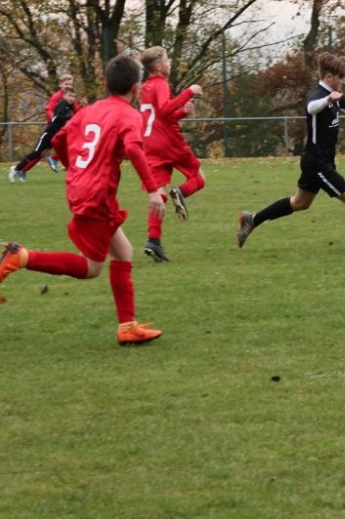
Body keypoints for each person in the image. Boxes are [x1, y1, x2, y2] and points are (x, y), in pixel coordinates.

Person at [0, 53, 167, 346]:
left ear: (107, 84)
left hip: (84, 188)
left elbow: (58, 139)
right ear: (136, 88)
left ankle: (128, 326)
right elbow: (134, 149)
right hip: (97, 194)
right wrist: (153, 190)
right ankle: (19, 256)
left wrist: (75, 168)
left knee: (123, 252)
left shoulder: (91, 109)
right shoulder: (129, 115)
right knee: (92, 267)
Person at [236, 52, 345, 251]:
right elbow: (311, 108)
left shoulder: (336, 97)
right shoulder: (318, 95)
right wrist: (327, 99)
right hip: (318, 164)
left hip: (317, 161)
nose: (343, 81)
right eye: (341, 77)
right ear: (329, 77)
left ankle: (252, 219)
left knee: (300, 203)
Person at [138, 46, 205, 262]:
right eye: (167, 60)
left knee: (158, 194)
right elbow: (166, 109)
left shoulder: (146, 87)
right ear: (158, 67)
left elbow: (163, 115)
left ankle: (153, 241)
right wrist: (189, 91)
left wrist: (183, 112)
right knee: (199, 178)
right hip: (169, 142)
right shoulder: (160, 84)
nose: (169, 63)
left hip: (151, 145)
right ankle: (181, 192)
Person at [8, 74, 80, 181]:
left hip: (58, 132)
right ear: (60, 85)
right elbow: (53, 114)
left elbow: (77, 111)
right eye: (66, 84)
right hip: (50, 132)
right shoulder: (59, 99)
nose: (68, 86)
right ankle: (17, 169)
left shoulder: (69, 100)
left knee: (70, 146)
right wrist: (66, 119)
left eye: (70, 84)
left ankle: (69, 170)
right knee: (37, 153)